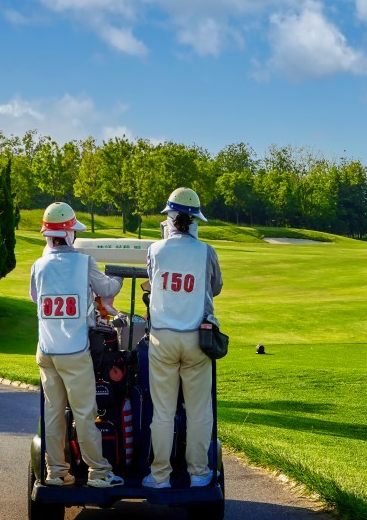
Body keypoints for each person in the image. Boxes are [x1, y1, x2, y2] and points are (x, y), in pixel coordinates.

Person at [30, 202, 125, 488]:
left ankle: (56, 472)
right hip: (74, 351)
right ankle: (98, 472)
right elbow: (107, 289)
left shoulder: (38, 265)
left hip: (46, 351)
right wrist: (118, 275)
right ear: (70, 233)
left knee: (54, 412)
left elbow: (36, 298)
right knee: (85, 412)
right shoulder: (83, 262)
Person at [143, 187, 223, 489]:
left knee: (162, 411)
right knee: (199, 411)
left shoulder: (155, 249)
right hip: (196, 338)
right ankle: (199, 474)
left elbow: (153, 282)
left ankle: (160, 475)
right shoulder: (206, 251)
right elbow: (215, 287)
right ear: (194, 220)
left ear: (170, 217)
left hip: (162, 338)